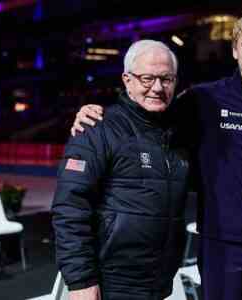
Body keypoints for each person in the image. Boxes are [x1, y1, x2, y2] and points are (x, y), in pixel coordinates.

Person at [72, 11, 242, 299]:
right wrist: (98, 111)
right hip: (220, 246)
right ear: (235, 50)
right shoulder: (205, 98)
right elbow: (150, 110)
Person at [52, 40, 190, 300]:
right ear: (127, 80)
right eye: (147, 78)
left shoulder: (178, 136)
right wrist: (81, 281)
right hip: (111, 284)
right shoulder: (96, 129)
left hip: (159, 283)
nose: (157, 88)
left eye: (166, 79)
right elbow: (70, 209)